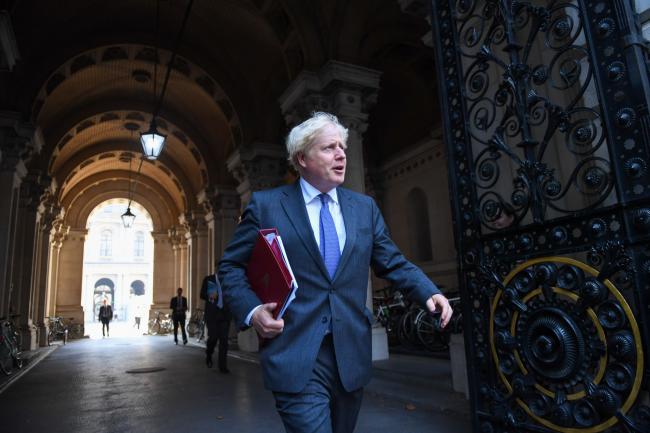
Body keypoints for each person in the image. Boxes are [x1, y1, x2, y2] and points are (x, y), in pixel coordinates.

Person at [219, 112, 453, 433]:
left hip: (349, 355)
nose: (342, 154)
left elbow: (392, 261)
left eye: (343, 147)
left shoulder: (364, 208)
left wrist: (429, 291)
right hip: (295, 352)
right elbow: (231, 266)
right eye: (329, 148)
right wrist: (253, 310)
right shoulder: (267, 205)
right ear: (301, 158)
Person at [200, 261, 232, 372]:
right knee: (213, 338)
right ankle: (209, 354)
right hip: (212, 314)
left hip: (225, 314)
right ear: (216, 268)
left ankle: (222, 367)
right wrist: (210, 295)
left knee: (224, 341)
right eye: (219, 267)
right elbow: (202, 294)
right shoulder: (209, 279)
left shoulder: (228, 281)